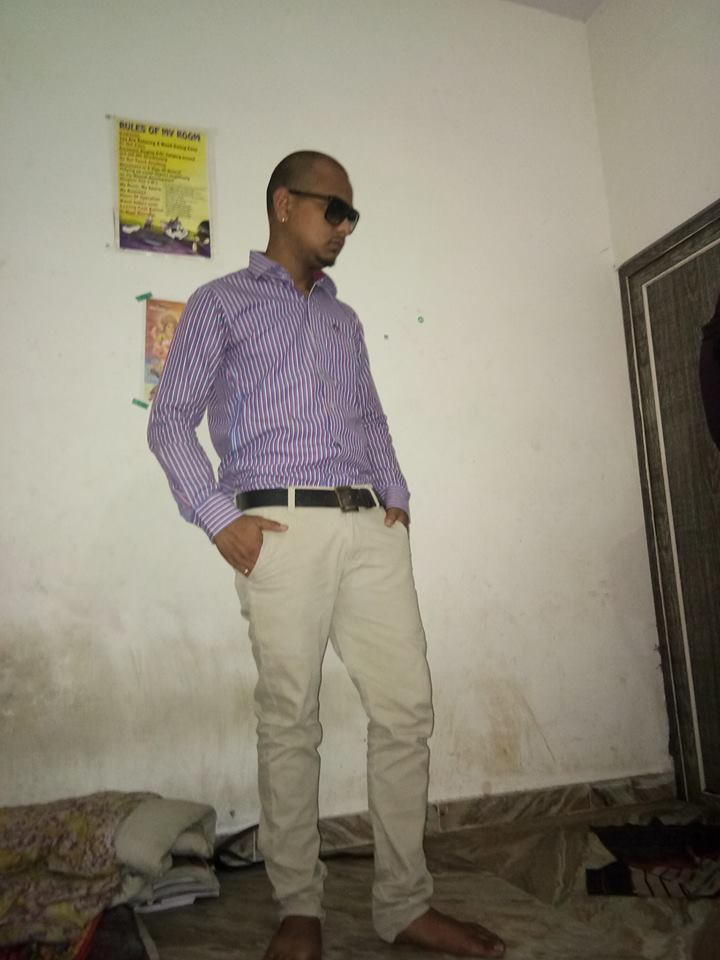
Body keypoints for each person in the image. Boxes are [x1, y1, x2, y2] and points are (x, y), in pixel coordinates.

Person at [148, 151, 505, 960]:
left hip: (368, 527)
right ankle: (298, 909)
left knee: (406, 711)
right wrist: (219, 520)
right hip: (279, 531)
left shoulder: (344, 320)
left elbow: (370, 417)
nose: (345, 227)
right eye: (334, 210)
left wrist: (395, 496)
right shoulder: (221, 303)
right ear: (284, 204)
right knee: (290, 720)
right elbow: (169, 422)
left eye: (352, 216)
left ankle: (405, 904)